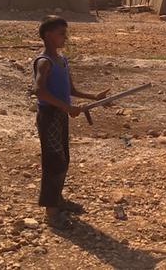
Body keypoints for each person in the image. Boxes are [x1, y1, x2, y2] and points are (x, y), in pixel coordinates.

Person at [32, 16, 109, 229]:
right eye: (60, 33)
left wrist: (95, 97)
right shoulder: (44, 62)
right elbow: (39, 91)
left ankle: (58, 200)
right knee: (53, 161)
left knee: (63, 159)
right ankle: (52, 213)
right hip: (49, 117)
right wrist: (67, 108)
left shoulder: (62, 60)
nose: (64, 37)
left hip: (60, 116)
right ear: (48, 35)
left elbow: (71, 91)